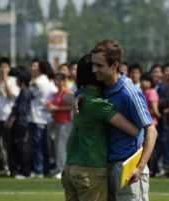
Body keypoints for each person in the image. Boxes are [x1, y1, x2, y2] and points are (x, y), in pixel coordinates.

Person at [62, 54, 140, 201]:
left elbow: (67, 95)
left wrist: (70, 98)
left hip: (70, 167)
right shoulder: (99, 104)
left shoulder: (82, 95)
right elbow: (134, 130)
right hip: (90, 169)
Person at [91, 39, 157, 201]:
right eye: (93, 65)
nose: (94, 70)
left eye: (99, 66)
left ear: (114, 65)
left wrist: (140, 168)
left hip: (128, 167)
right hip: (106, 165)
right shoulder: (101, 87)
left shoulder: (130, 92)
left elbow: (151, 130)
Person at [0, 57, 20, 176]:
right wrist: (0, 81)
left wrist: (5, 81)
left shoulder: (13, 80)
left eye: (5, 67)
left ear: (9, 68)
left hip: (8, 116)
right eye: (1, 67)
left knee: (9, 144)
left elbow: (12, 95)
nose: (3, 69)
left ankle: (13, 169)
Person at [29, 59, 57, 177]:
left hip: (37, 116)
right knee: (43, 146)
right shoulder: (49, 82)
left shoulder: (39, 81)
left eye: (35, 66)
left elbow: (30, 94)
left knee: (38, 145)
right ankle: (44, 169)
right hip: (43, 116)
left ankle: (38, 169)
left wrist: (31, 83)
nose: (32, 68)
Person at [4, 69, 32, 178]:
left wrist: (11, 120)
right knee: (17, 146)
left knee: (21, 147)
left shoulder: (25, 92)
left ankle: (24, 170)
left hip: (21, 122)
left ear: (22, 81)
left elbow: (20, 110)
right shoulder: (23, 92)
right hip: (20, 122)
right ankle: (19, 169)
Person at [46, 73, 72, 179]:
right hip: (57, 122)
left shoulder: (67, 93)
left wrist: (55, 108)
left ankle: (63, 170)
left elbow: (70, 107)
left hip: (65, 123)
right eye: (55, 80)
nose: (57, 82)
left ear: (63, 81)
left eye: (59, 80)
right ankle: (59, 168)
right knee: (57, 147)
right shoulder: (56, 93)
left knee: (62, 147)